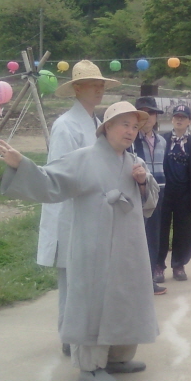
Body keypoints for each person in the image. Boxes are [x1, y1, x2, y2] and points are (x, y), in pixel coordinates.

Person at [0, 102, 160, 381]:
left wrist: (143, 182)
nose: (131, 132)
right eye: (124, 124)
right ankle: (90, 365)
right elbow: (50, 181)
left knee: (126, 297)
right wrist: (21, 164)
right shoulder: (83, 158)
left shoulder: (135, 163)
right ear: (107, 126)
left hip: (128, 248)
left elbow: (150, 203)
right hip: (93, 247)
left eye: (135, 126)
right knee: (93, 300)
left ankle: (119, 357)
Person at [38, 60, 119, 356]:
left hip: (94, 209)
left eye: (101, 85)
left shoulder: (98, 124)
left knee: (90, 279)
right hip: (70, 211)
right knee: (72, 281)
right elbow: (59, 173)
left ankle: (87, 336)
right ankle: (69, 337)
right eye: (93, 85)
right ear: (77, 88)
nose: (99, 89)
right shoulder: (65, 126)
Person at [156, 105, 191, 283]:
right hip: (165, 192)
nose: (179, 120)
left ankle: (178, 264)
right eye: (176, 117)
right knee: (161, 229)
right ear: (171, 120)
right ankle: (158, 265)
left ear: (189, 121)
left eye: (183, 117)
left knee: (183, 230)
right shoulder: (162, 139)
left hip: (185, 193)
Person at [133, 96, 167, 296]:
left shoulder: (162, 140)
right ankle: (137, 280)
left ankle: (150, 279)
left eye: (151, 113)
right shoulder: (131, 140)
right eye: (143, 113)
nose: (148, 117)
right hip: (138, 193)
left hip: (159, 193)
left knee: (154, 236)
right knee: (138, 237)